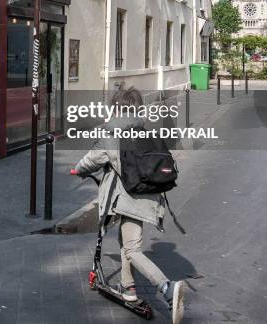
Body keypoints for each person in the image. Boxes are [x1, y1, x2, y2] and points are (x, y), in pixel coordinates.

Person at [73, 86, 185, 324]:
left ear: (117, 107)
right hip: (148, 195)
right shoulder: (141, 128)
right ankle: (129, 288)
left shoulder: (111, 132)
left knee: (132, 249)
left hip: (131, 198)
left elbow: (92, 160)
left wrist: (77, 170)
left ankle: (167, 288)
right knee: (127, 242)